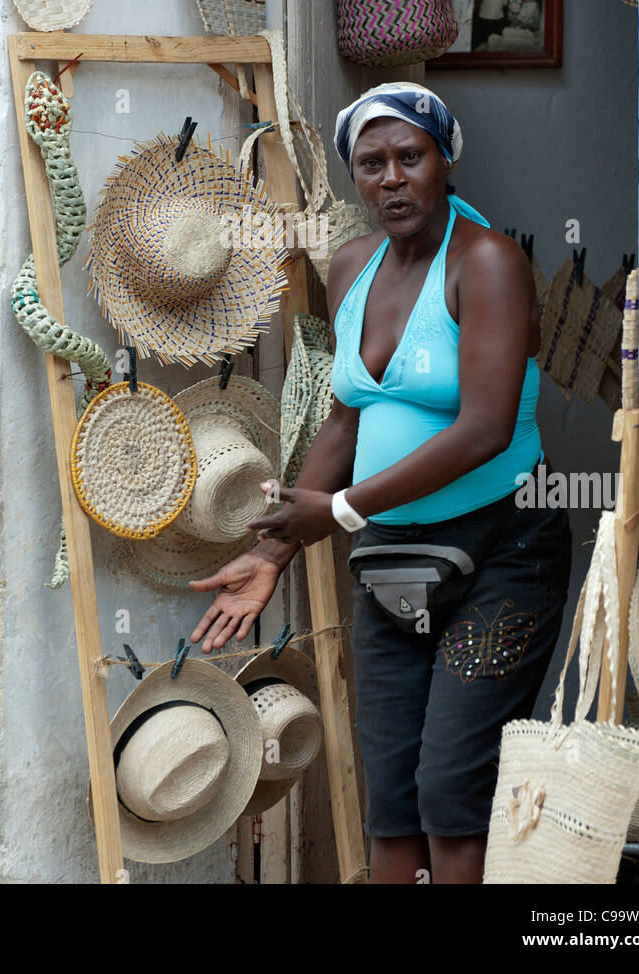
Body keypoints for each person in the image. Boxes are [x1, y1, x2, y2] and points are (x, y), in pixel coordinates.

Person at [190, 83, 571, 885]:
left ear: (444, 163)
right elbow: (344, 422)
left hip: (501, 553)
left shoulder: (488, 262)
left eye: (410, 157)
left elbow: (484, 429)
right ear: (354, 178)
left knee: (450, 793)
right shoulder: (352, 265)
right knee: (391, 801)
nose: (391, 178)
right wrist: (273, 554)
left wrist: (340, 509)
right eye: (371, 163)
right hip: (391, 556)